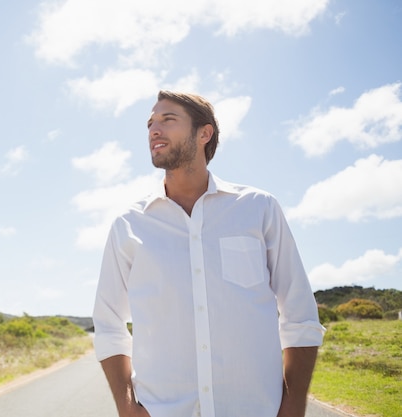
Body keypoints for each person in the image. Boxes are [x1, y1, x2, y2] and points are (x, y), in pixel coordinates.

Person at [92, 90, 325, 417]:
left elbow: (299, 313)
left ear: (204, 133)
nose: (153, 130)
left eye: (167, 120)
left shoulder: (259, 209)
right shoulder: (128, 225)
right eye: (150, 123)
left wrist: (294, 404)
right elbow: (108, 324)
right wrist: (127, 407)